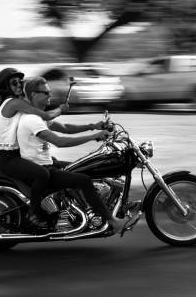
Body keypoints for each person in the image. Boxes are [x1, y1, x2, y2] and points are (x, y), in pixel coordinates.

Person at [17, 76, 126, 233]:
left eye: (49, 92)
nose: (50, 95)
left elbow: (65, 127)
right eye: (45, 93)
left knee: (83, 167)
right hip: (42, 168)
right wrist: (94, 136)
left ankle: (79, 209)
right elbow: (61, 142)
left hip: (47, 163)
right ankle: (113, 221)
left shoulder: (39, 116)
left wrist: (94, 126)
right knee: (84, 180)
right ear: (33, 95)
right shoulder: (31, 119)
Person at [0, 68, 68, 229]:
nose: (19, 85)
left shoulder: (15, 104)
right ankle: (34, 214)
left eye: (20, 82)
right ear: (5, 87)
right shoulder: (13, 103)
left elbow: (43, 117)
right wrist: (61, 109)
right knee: (42, 174)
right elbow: (45, 115)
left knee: (55, 165)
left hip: (16, 154)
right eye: (14, 83)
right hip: (8, 158)